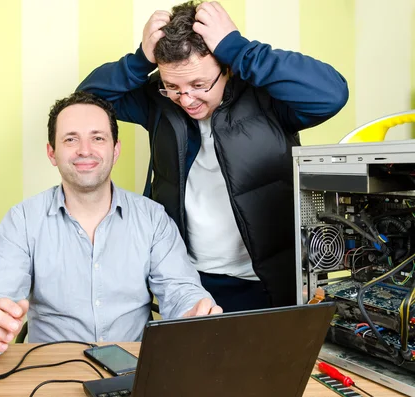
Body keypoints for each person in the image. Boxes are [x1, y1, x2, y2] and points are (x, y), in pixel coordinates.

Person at [77, 1, 349, 312]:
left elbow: (331, 94)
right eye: (173, 87)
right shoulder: (159, 102)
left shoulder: (268, 99)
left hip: (265, 282)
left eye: (199, 84)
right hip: (186, 280)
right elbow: (85, 103)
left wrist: (238, 49)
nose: (187, 99)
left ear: (227, 68)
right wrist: (139, 61)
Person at [0, 91, 221, 361]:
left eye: (98, 138)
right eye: (71, 139)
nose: (85, 150)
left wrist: (193, 312)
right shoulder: (22, 221)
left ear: (115, 150)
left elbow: (181, 291)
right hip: (48, 373)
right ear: (52, 152)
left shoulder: (153, 219)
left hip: (133, 373)